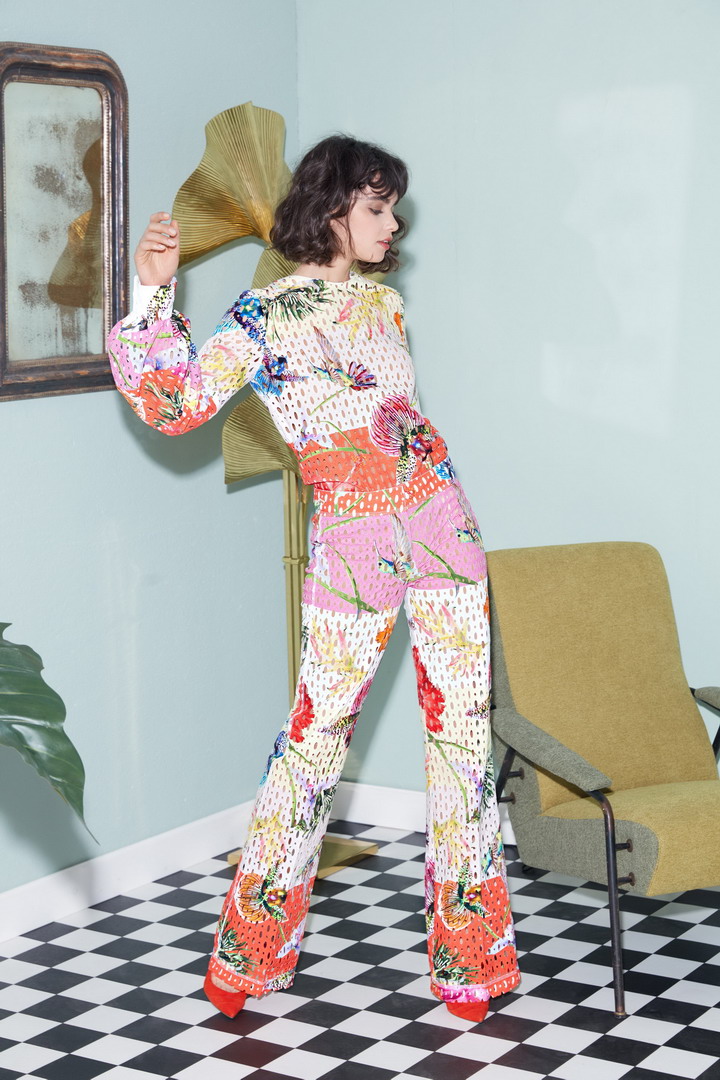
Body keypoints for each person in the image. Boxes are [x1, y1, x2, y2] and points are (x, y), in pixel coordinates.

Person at [107, 135, 520, 1024]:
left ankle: (472, 962)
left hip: (444, 525)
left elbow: (400, 418)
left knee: (462, 744)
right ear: (331, 208)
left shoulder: (386, 305)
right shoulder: (262, 317)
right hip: (351, 541)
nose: (392, 222)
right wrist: (153, 293)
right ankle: (249, 956)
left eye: (392, 207)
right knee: (313, 742)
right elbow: (175, 404)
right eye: (376, 205)